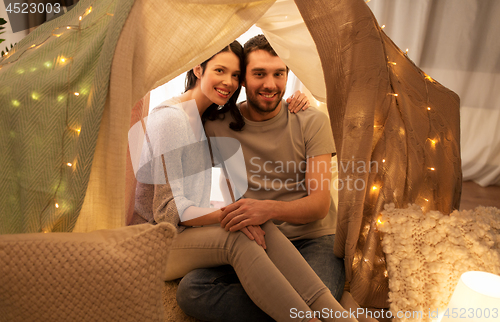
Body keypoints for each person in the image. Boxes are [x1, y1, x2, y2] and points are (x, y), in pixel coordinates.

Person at [132, 40, 359, 322]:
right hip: (160, 236)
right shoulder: (176, 120)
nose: (228, 81)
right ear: (197, 68)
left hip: (303, 238)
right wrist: (240, 213)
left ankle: (336, 316)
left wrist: (250, 211)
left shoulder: (206, 117)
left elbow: (211, 192)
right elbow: (168, 210)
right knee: (238, 234)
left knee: (254, 221)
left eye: (235, 75)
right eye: (220, 70)